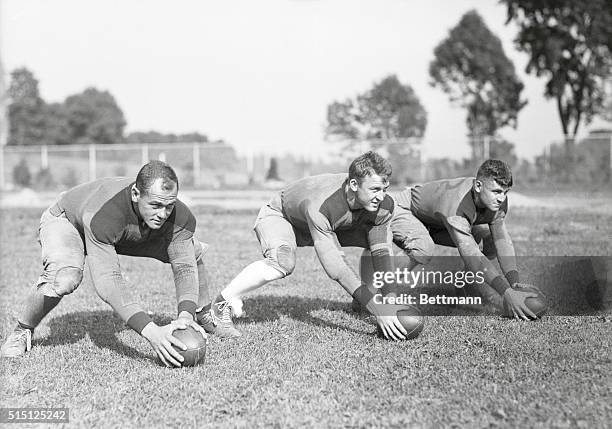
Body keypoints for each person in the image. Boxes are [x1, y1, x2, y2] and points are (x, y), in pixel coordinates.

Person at [0, 160, 237, 367]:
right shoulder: (106, 213)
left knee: (192, 252)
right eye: (155, 205)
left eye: (169, 205)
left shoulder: (179, 218)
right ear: (136, 194)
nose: (164, 213)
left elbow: (185, 266)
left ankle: (202, 314)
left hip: (126, 229)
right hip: (69, 221)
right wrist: (151, 331)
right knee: (65, 278)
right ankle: (23, 329)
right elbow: (109, 282)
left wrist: (184, 316)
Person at [203, 151, 418, 341]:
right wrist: (378, 310)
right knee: (283, 262)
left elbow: (381, 251)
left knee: (380, 241)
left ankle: (365, 300)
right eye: (375, 189)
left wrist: (389, 299)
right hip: (283, 217)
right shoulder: (322, 204)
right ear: (354, 185)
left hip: (329, 225)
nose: (381, 196)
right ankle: (220, 304)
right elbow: (336, 268)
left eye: (385, 188)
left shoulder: (383, 204)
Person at [359, 159, 539, 320]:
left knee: (488, 238)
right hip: (406, 209)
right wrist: (505, 292)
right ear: (478, 186)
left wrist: (514, 282)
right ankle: (375, 291)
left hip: (437, 220)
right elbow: (472, 255)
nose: (501, 198)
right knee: (424, 248)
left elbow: (501, 239)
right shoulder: (456, 205)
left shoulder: (497, 200)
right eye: (497, 191)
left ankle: (468, 286)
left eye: (505, 192)